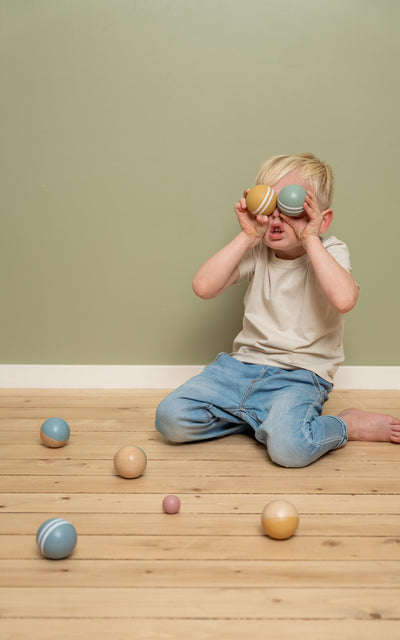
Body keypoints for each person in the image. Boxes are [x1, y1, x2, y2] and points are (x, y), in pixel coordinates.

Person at [155, 153, 400, 467]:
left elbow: (344, 299)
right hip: (239, 370)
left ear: (321, 219)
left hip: (299, 377)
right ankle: (259, 418)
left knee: (290, 450)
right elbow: (203, 287)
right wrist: (247, 236)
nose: (275, 219)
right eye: (268, 208)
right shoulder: (257, 251)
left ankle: (345, 425)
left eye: (291, 209)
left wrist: (310, 238)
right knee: (170, 419)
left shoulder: (329, 250)